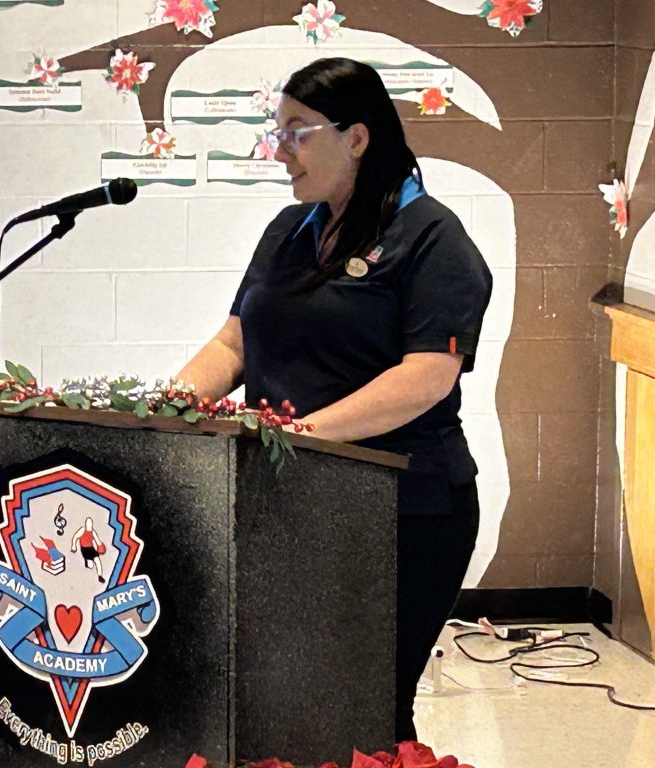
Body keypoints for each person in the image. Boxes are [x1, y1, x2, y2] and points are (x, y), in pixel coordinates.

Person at [176, 58, 492, 743]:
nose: (280, 150)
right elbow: (234, 344)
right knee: (280, 699)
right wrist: (166, 409)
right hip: (288, 502)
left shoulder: (434, 238)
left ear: (356, 137)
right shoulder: (290, 231)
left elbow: (427, 375)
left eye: (297, 132)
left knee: (365, 705)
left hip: (402, 510)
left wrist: (305, 434)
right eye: (277, 132)